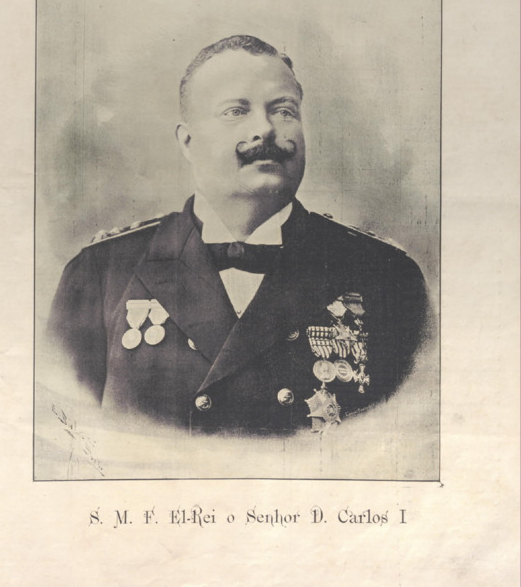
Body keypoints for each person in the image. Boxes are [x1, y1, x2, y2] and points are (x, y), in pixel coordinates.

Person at [48, 35, 429, 435]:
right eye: (236, 111)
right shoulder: (101, 272)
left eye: (284, 111)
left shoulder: (387, 275)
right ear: (188, 142)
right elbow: (65, 440)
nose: (265, 128)